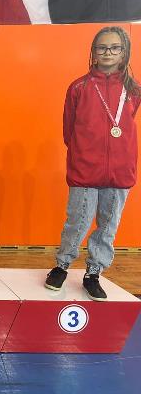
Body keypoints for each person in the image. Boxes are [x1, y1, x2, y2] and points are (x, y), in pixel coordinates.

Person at [45, 26, 141, 301]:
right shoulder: (79, 87)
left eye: (115, 47)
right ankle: (62, 265)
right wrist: (83, 154)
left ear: (124, 52)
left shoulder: (133, 89)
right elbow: (69, 130)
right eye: (102, 47)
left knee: (108, 226)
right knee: (77, 221)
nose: (108, 52)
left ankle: (94, 272)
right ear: (93, 52)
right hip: (85, 169)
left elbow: (126, 123)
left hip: (120, 171)